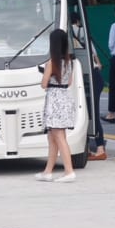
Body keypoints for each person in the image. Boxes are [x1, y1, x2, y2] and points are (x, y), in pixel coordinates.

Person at [37, 29, 77, 182]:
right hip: (65, 98)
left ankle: (69, 171)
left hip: (54, 100)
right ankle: (48, 171)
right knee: (54, 137)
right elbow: (69, 82)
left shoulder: (51, 63)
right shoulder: (70, 62)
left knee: (58, 137)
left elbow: (43, 84)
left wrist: (45, 74)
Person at [70, 15, 107, 161]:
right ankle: (96, 147)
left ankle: (100, 149)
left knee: (91, 113)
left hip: (88, 77)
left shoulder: (69, 32)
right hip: (92, 74)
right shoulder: (79, 31)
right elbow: (93, 52)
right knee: (91, 112)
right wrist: (98, 64)